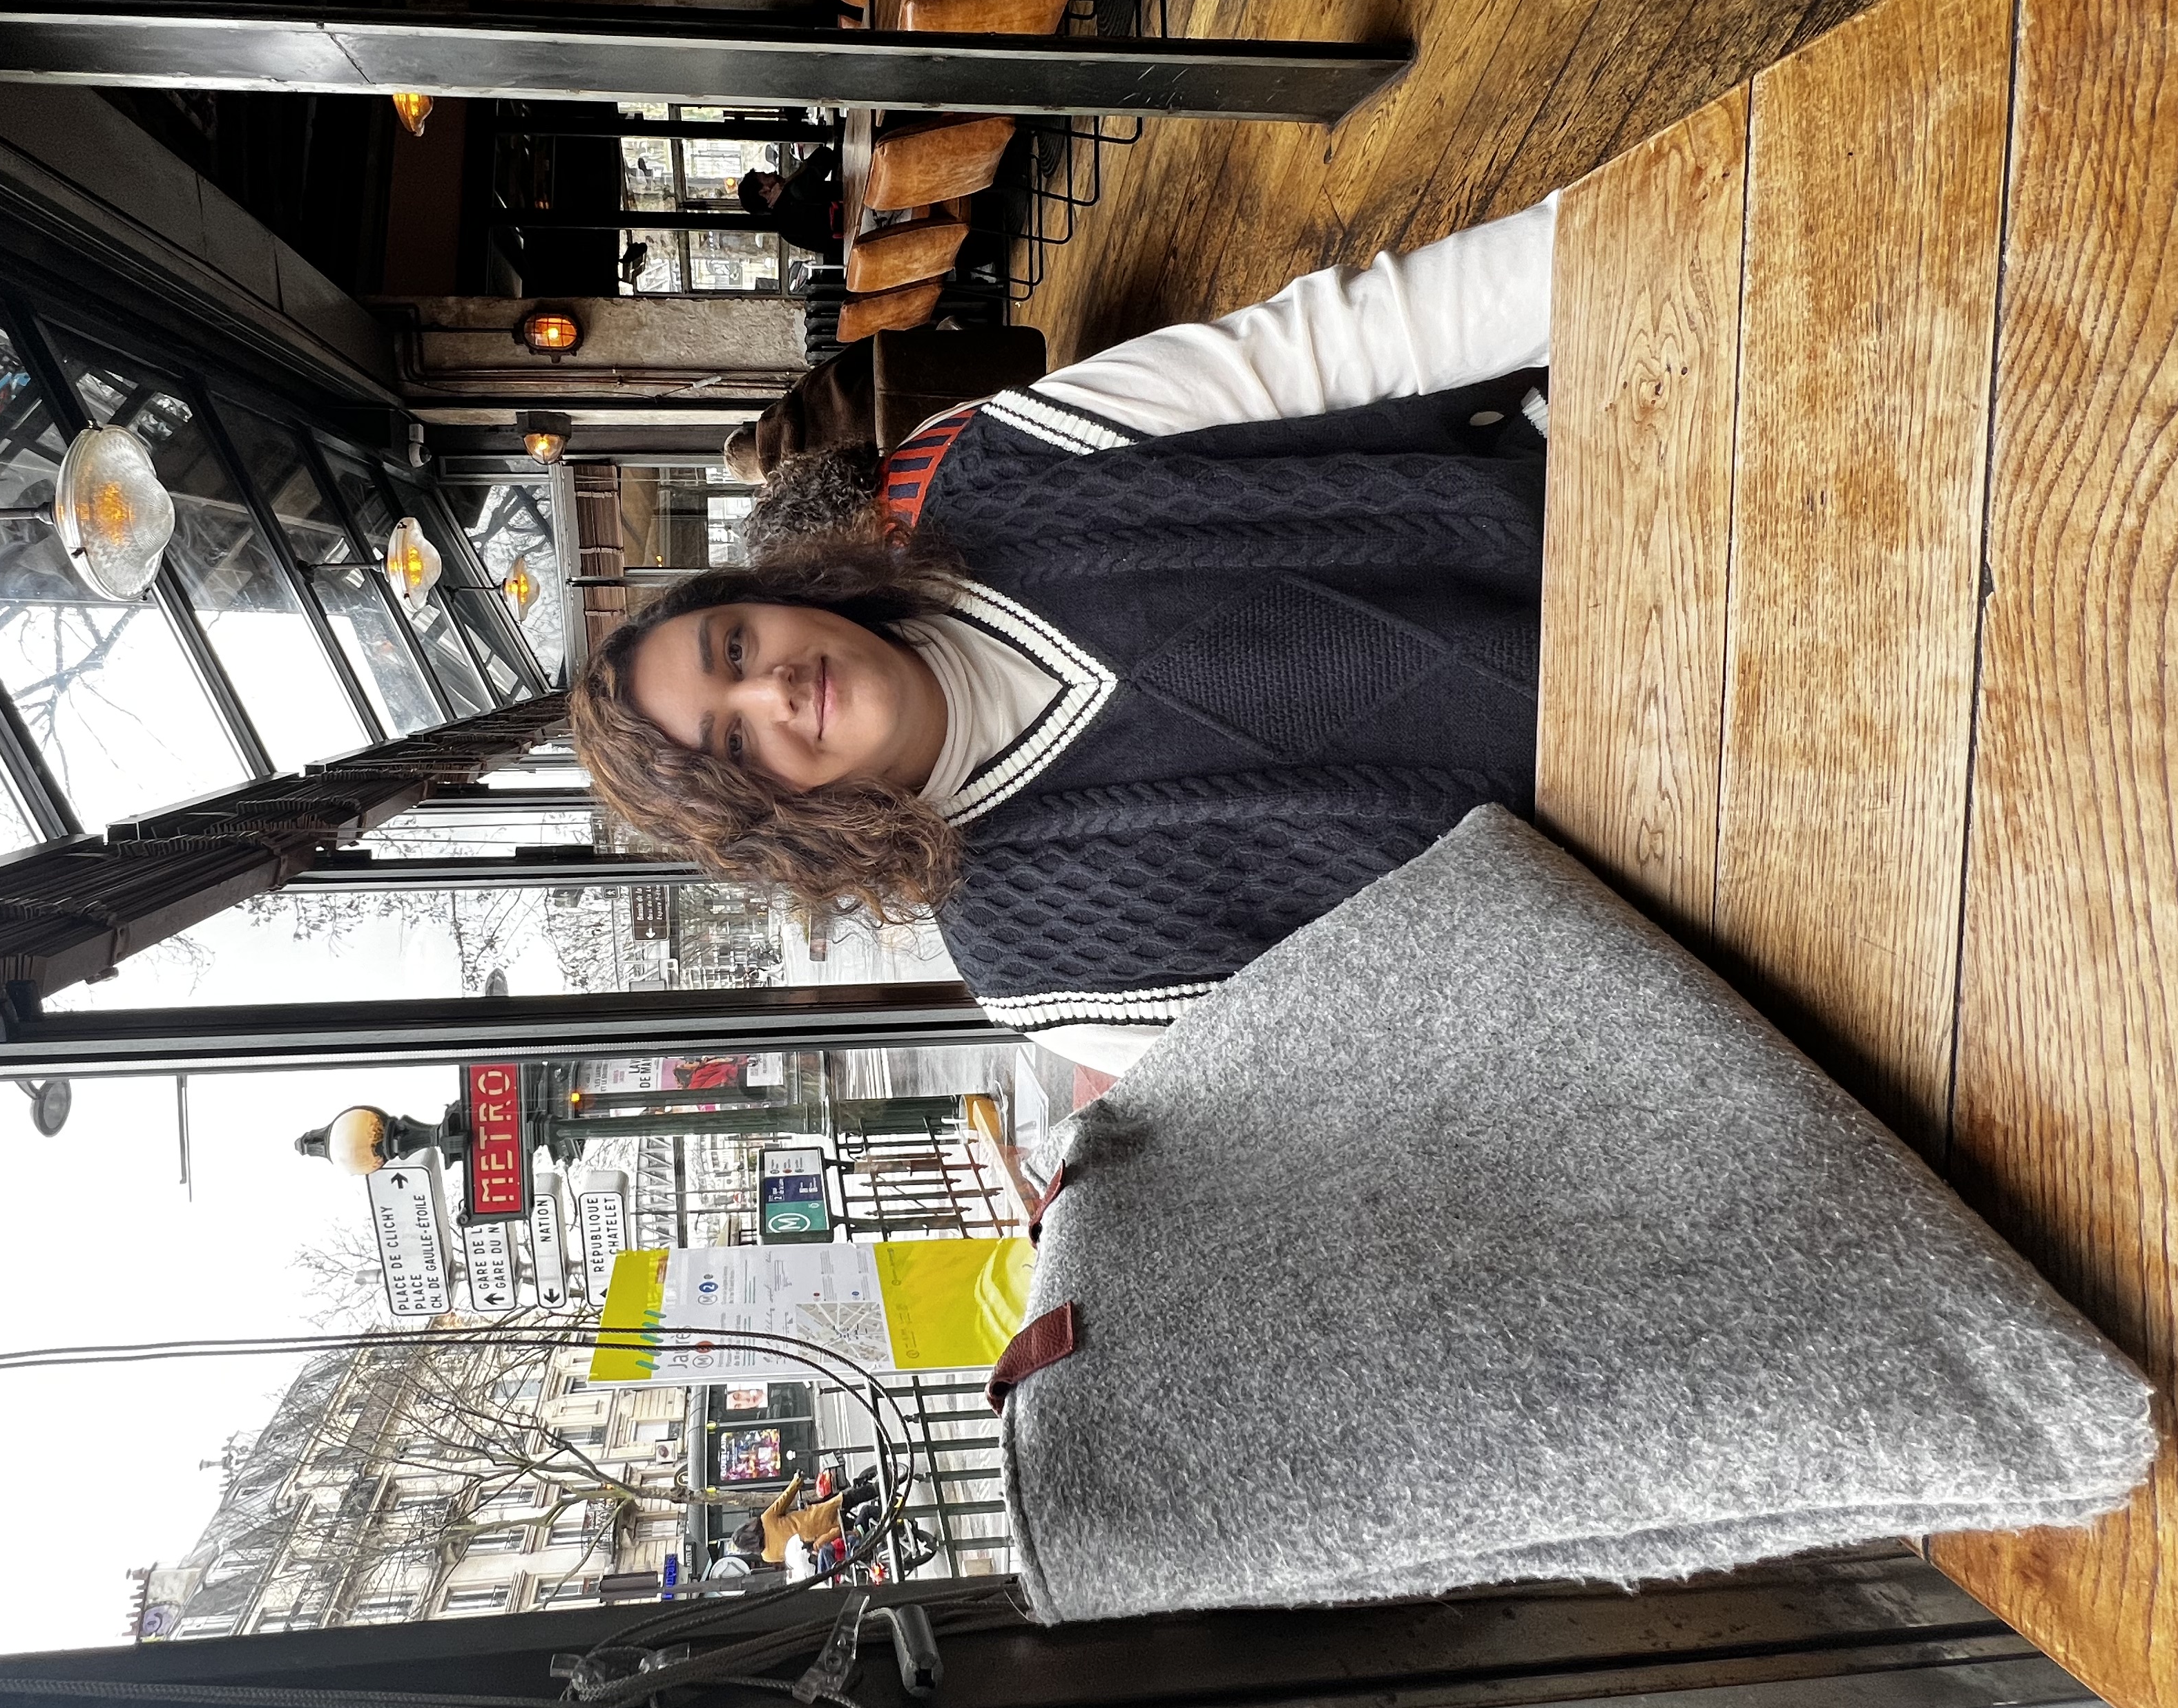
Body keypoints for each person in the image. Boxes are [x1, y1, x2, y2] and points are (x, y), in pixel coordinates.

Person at [570, 200, 1558, 1075]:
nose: (773, 690)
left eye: (734, 649)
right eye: (736, 745)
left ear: (768, 594)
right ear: (777, 822)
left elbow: (1349, 340)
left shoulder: (1003, 470)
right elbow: (1432, 1045)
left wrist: (1604, 248)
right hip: (1639, 840)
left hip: (1596, 486)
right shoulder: (1046, 972)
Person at [736, 146, 840, 258]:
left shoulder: (785, 231)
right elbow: (825, 155)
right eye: (767, 176)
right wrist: (789, 180)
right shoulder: (795, 191)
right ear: (764, 192)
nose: (773, 172)